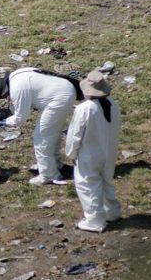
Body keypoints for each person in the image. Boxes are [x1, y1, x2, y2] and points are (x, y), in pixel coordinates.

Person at [0, 67, 77, 185]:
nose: (7, 99)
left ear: (5, 92)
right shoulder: (17, 76)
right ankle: (56, 164)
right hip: (65, 89)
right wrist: (9, 113)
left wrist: (4, 122)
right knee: (52, 132)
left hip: (59, 98)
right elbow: (27, 96)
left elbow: (21, 118)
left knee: (41, 137)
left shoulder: (17, 89)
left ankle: (49, 175)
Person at [65, 69, 122, 232]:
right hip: (109, 150)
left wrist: (71, 153)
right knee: (106, 181)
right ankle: (112, 211)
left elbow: (75, 135)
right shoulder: (112, 104)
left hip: (89, 152)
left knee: (87, 184)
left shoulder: (85, 108)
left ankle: (94, 220)